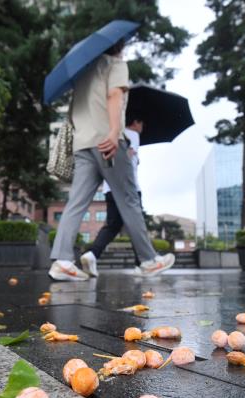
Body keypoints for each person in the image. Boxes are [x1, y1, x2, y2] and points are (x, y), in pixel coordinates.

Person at [48, 39, 174, 281]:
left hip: (82, 144)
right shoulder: (115, 65)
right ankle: (148, 260)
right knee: (128, 199)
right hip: (107, 142)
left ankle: (62, 261)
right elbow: (114, 94)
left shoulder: (82, 76)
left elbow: (73, 116)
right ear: (119, 46)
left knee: (76, 203)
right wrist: (115, 132)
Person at [80, 114, 145, 277]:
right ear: (135, 121)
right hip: (128, 187)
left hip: (110, 187)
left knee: (112, 225)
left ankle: (92, 254)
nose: (142, 127)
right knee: (136, 224)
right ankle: (143, 262)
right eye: (142, 123)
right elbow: (128, 158)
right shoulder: (132, 135)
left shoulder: (110, 132)